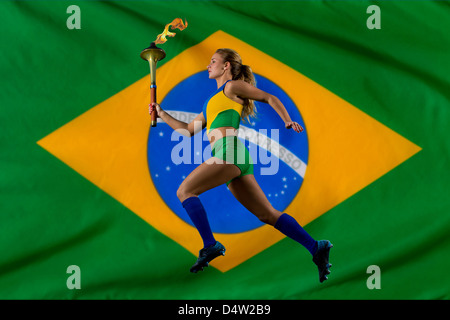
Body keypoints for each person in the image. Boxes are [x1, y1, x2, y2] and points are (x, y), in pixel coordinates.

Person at [149, 48, 332, 283]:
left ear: (226, 66)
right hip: (235, 159)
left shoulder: (231, 87)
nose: (208, 65)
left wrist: (287, 120)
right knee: (267, 214)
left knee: (185, 191)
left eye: (213, 61)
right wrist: (162, 113)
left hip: (230, 153)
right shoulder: (210, 103)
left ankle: (210, 245)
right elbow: (186, 131)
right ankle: (316, 247)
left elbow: (269, 97)